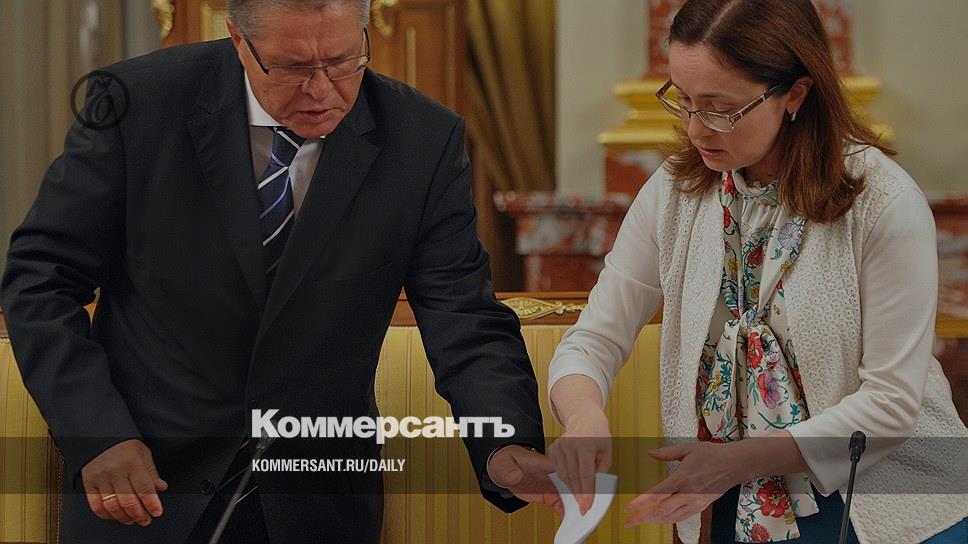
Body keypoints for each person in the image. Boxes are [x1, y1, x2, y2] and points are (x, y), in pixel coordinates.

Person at [0, 1, 557, 542]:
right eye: (292, 67)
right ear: (239, 40)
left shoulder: (422, 139)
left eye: (342, 61)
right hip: (145, 488)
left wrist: (503, 443)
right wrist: (96, 433)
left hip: (317, 502)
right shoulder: (137, 103)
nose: (321, 90)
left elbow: (462, 314)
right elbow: (41, 277)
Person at [543, 1, 968, 543]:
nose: (696, 129)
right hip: (735, 499)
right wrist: (584, 418)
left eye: (720, 109)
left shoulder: (882, 202)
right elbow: (594, 339)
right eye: (683, 101)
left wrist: (735, 461)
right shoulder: (674, 194)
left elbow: (891, 406)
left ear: (796, 93)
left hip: (890, 507)